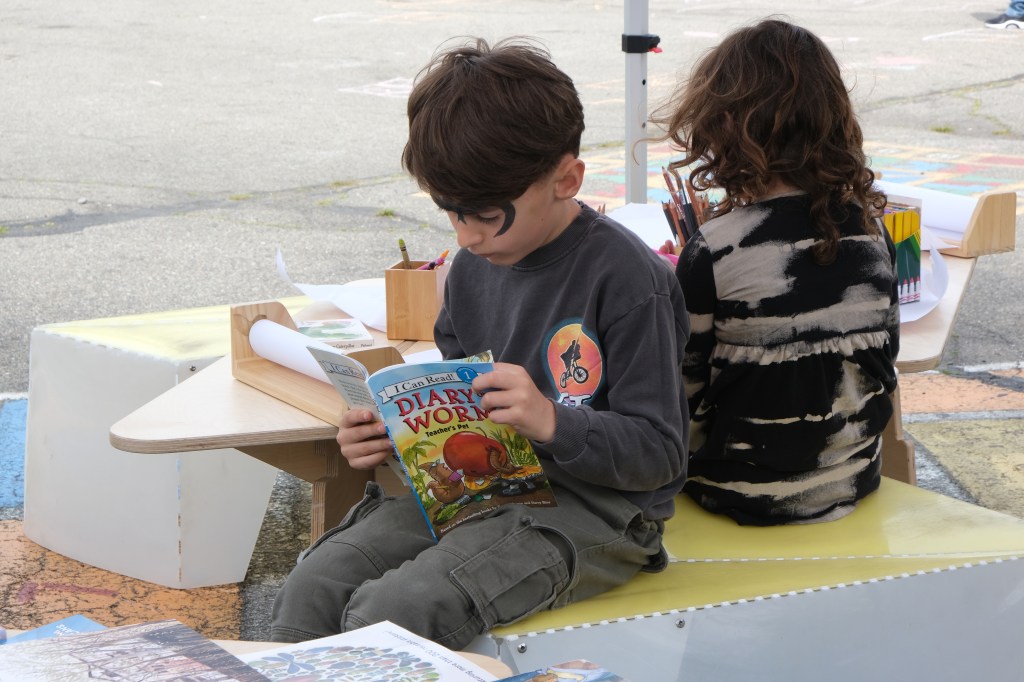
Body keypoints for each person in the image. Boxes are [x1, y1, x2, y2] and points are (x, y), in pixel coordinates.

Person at [270, 37, 690, 648]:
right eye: (452, 213)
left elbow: (661, 455)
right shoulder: (470, 269)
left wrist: (551, 422)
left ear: (566, 179)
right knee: (314, 585)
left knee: (394, 610)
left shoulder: (627, 279)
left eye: (487, 216)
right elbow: (457, 412)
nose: (467, 237)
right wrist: (393, 435)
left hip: (601, 512)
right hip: (477, 490)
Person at [649, 18, 900, 526]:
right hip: (853, 477)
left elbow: (681, 397)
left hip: (738, 493)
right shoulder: (873, 234)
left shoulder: (716, 249)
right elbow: (883, 362)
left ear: (723, 125)